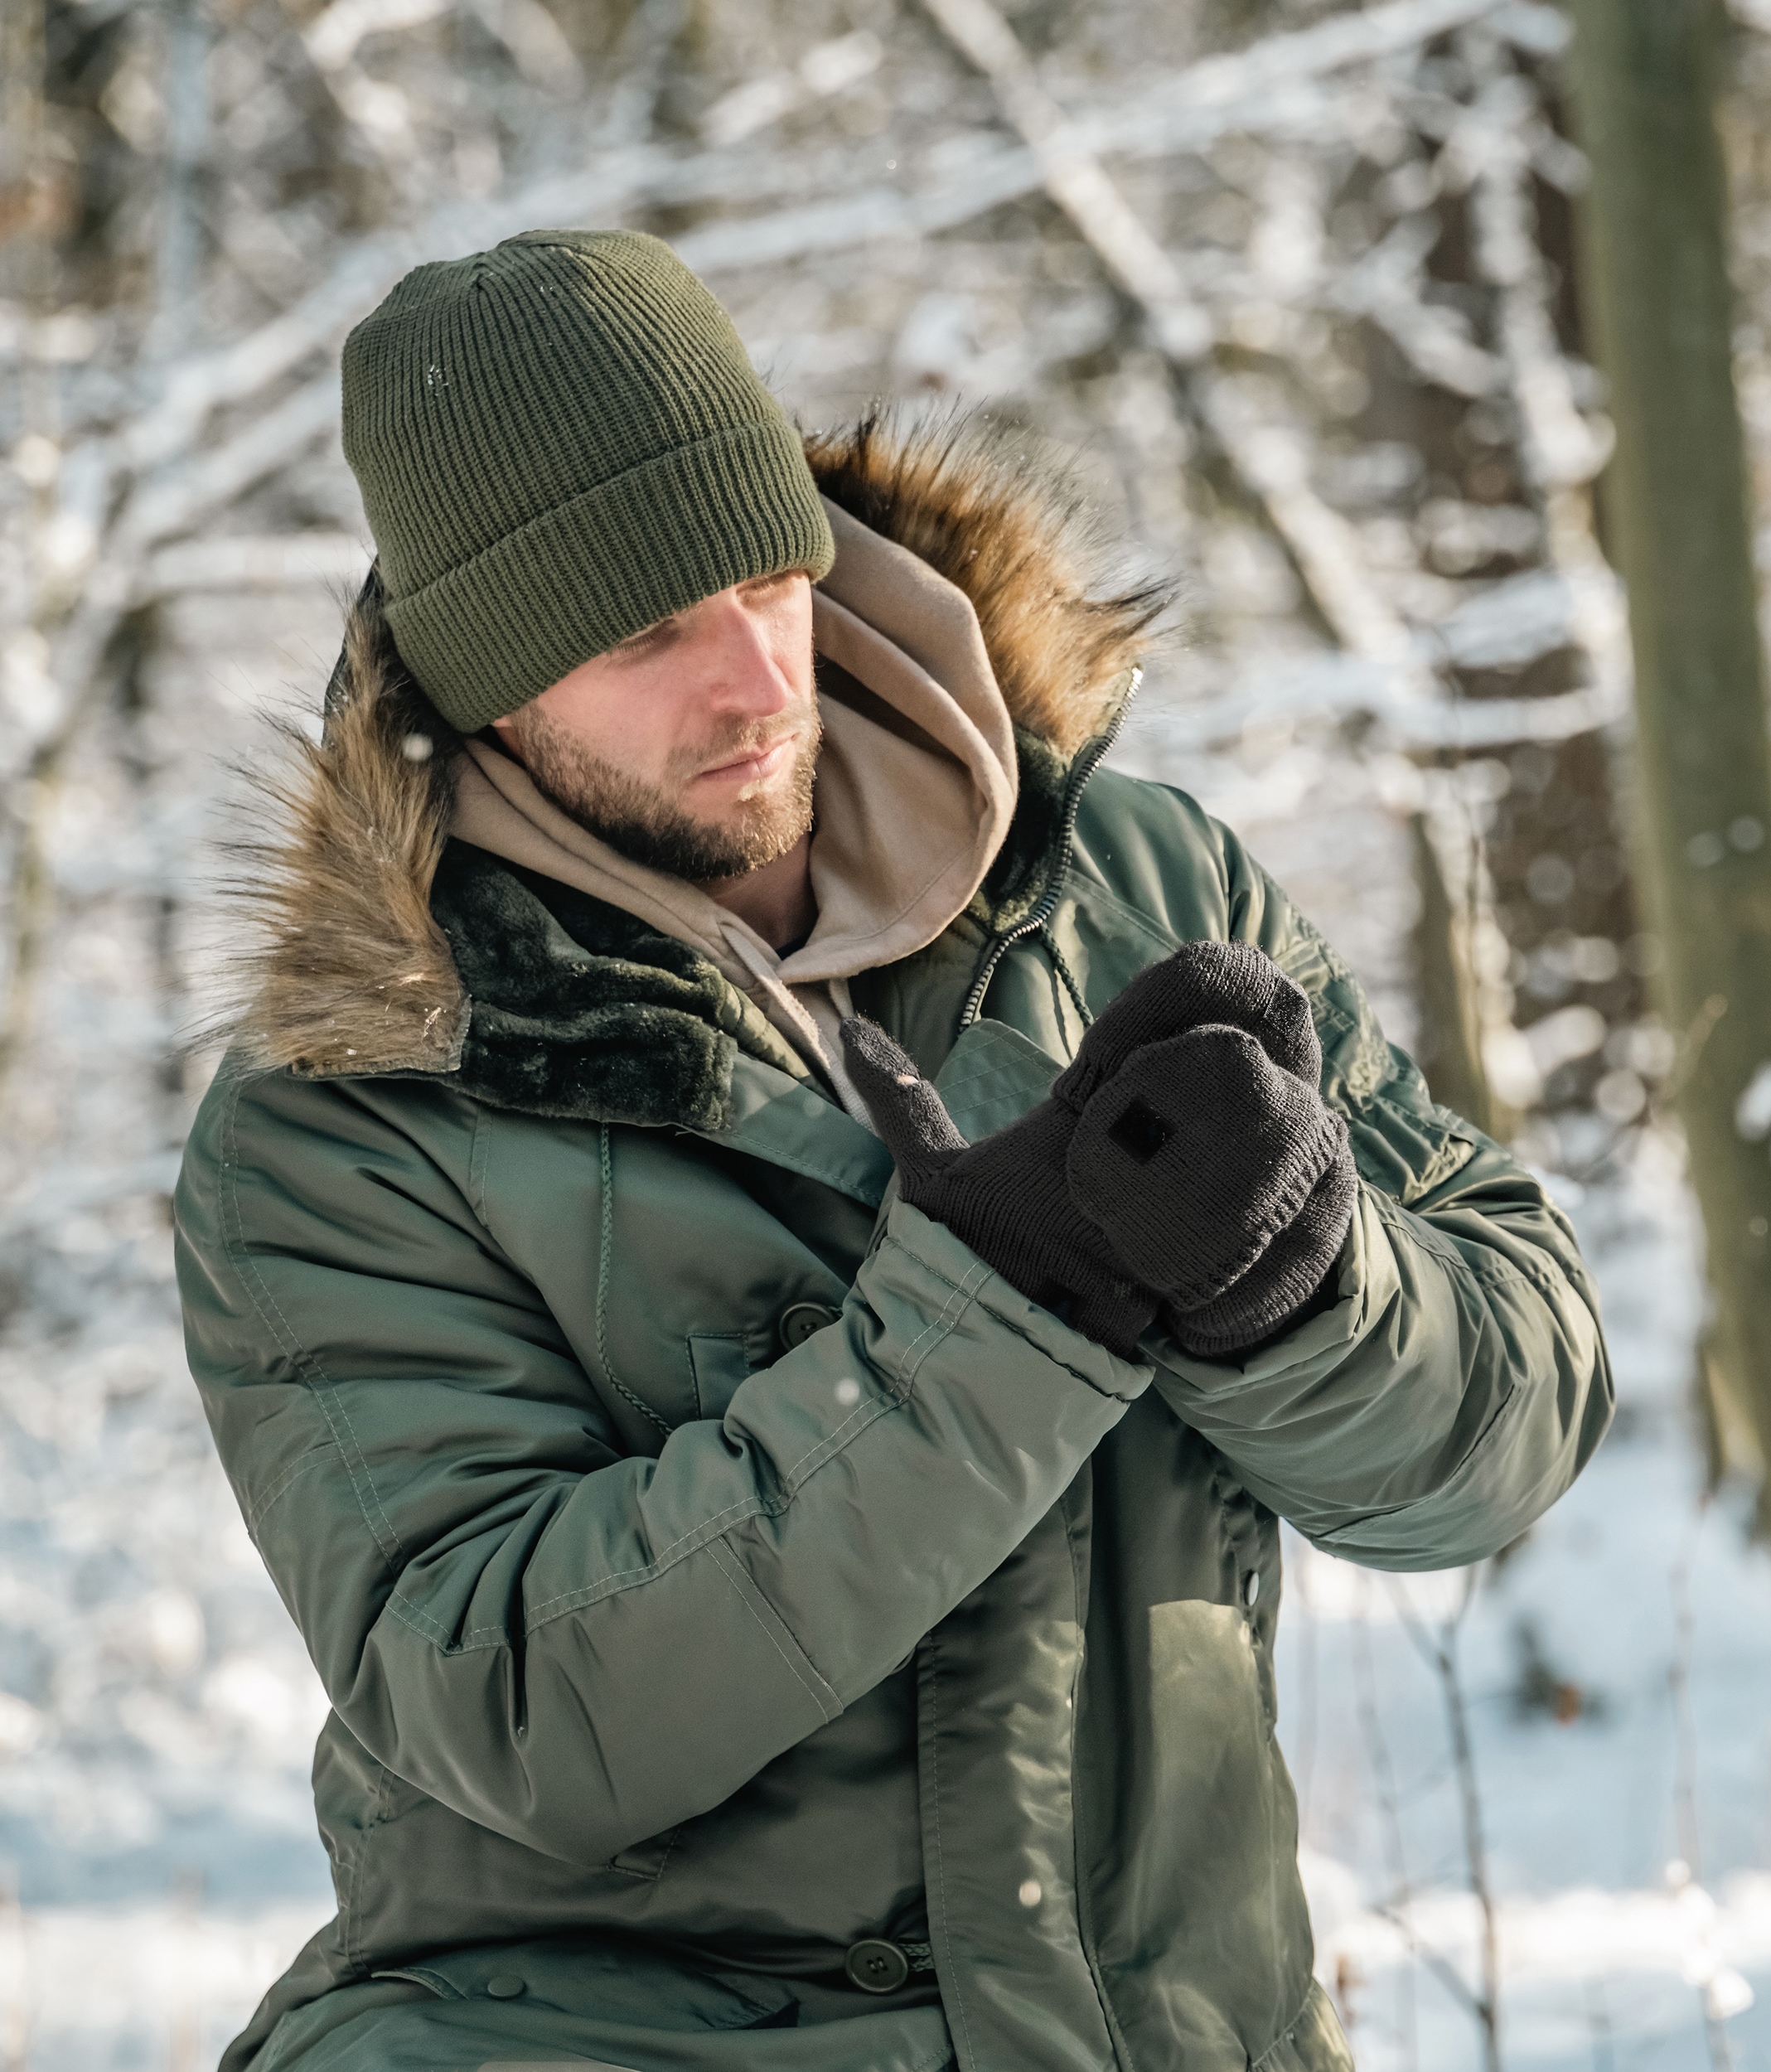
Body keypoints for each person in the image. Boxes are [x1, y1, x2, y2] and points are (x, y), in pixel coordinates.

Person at [174, 227, 1614, 2072]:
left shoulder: (1136, 882)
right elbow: (518, 1703)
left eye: (769, 579)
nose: (756, 679)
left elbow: (1505, 1433)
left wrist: (1314, 1292)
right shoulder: (347, 1119)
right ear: (489, 692)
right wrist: (1000, 1323)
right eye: (645, 633)